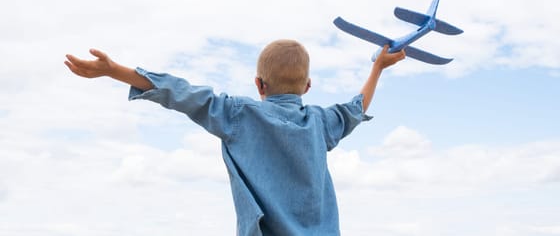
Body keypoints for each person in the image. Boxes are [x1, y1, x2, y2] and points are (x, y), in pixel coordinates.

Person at [65, 40, 405, 235]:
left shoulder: (238, 115)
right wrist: (377, 68)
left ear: (259, 84)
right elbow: (355, 108)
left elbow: (181, 93)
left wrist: (114, 70)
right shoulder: (320, 123)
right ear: (307, 86)